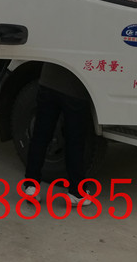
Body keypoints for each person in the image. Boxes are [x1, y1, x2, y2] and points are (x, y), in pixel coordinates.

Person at [24, 63, 93, 206]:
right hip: (75, 89)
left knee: (40, 136)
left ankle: (31, 187)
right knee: (75, 141)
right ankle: (76, 193)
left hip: (48, 82)